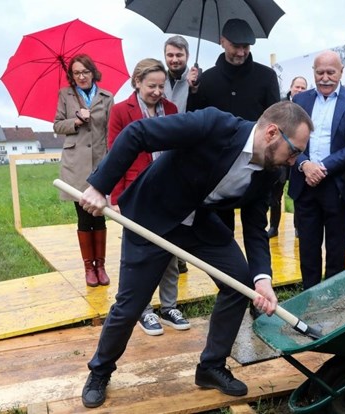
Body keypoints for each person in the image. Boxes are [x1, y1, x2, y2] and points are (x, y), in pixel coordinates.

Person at [76, 101, 313, 409]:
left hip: (198, 221)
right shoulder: (214, 125)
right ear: (271, 132)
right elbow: (138, 133)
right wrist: (99, 186)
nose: (294, 161)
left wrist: (262, 279)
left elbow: (256, 227)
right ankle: (100, 371)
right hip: (153, 215)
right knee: (131, 305)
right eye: (294, 151)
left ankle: (211, 367)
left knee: (238, 282)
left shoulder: (270, 171)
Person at [107, 58, 191, 336]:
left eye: (161, 86)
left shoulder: (171, 109)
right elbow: (114, 155)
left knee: (169, 248)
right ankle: (143, 310)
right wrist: (116, 197)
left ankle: (169, 306)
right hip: (136, 191)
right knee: (140, 252)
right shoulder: (120, 111)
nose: (157, 91)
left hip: (167, 190)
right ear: (137, 83)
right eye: (151, 86)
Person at [187, 18, 281, 230]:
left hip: (256, 169)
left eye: (245, 47)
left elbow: (276, 120)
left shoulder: (266, 77)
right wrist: (193, 92)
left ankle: (259, 266)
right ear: (222, 42)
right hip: (217, 172)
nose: (241, 52)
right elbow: (194, 121)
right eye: (235, 46)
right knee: (220, 234)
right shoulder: (206, 80)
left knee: (256, 230)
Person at [288, 50, 345, 289]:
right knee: (308, 251)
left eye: (330, 72)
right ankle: (308, 302)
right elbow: (287, 139)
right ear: (313, 72)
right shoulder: (300, 101)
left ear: (341, 72)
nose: (325, 78)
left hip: (337, 188)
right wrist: (304, 164)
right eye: (320, 72)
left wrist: (322, 168)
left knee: (336, 252)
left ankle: (333, 305)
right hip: (305, 187)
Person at [53, 53, 114, 288]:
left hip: (100, 163)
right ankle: (89, 268)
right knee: (83, 217)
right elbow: (57, 125)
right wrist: (76, 121)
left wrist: (112, 165)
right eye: (76, 73)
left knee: (98, 214)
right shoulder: (65, 96)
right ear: (72, 75)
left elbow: (112, 132)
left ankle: (101, 266)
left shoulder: (106, 98)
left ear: (93, 72)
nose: (81, 77)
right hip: (75, 165)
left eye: (85, 72)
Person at [163, 34, 200, 274]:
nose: (174, 59)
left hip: (188, 150)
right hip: (163, 148)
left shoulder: (197, 78)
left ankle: (181, 252)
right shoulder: (158, 77)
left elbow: (202, 111)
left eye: (179, 55)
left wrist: (195, 88)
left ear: (187, 56)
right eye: (170, 55)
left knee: (186, 206)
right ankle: (170, 254)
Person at [268, 76, 308, 238]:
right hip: (282, 156)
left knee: (298, 194)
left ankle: (298, 228)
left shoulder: (308, 106)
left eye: (303, 87)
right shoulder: (280, 105)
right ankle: (273, 227)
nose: (299, 90)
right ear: (291, 88)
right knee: (275, 194)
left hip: (300, 156)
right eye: (297, 87)